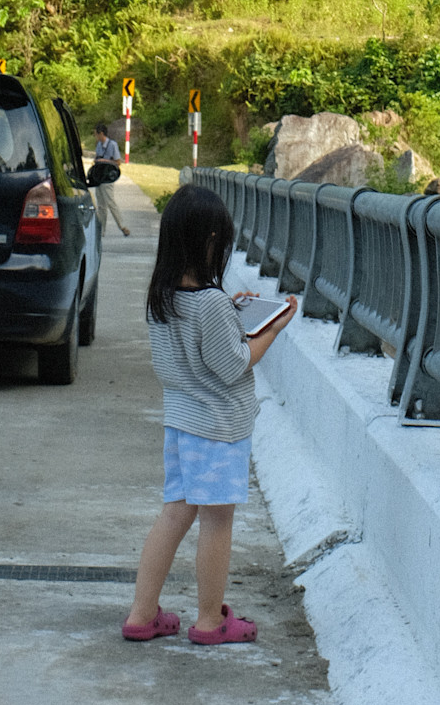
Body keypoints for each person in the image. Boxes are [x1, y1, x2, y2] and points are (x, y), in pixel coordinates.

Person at [122, 184, 294, 647]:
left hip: (180, 422)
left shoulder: (162, 296)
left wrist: (234, 315)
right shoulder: (212, 303)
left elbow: (196, 349)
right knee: (217, 520)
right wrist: (273, 327)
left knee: (175, 513)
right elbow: (235, 362)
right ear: (213, 240)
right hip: (218, 428)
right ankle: (209, 620)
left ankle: (142, 614)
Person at [89, 120, 129, 237]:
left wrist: (104, 162)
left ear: (101, 133)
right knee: (101, 206)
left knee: (110, 202)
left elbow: (117, 162)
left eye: (96, 134)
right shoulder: (98, 146)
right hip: (99, 178)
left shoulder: (112, 145)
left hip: (107, 178)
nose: (95, 136)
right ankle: (101, 230)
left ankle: (122, 226)